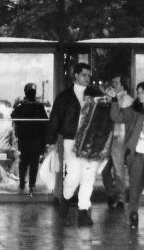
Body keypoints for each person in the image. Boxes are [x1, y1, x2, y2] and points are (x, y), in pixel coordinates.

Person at [45, 62, 104, 227]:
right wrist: (51, 141)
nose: (87, 78)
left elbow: (104, 113)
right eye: (84, 75)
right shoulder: (64, 97)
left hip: (91, 140)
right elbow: (55, 118)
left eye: (89, 75)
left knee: (88, 175)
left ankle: (83, 210)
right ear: (76, 75)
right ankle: (66, 197)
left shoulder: (95, 94)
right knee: (74, 175)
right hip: (71, 139)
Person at [111, 81, 144, 229]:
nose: (139, 95)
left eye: (142, 92)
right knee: (135, 187)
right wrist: (115, 100)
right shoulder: (133, 110)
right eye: (138, 92)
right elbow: (116, 117)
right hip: (137, 154)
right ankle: (133, 214)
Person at [101, 75, 133, 209]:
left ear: (123, 85)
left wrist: (112, 100)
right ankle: (113, 193)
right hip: (111, 136)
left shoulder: (127, 99)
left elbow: (118, 117)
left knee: (118, 169)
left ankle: (120, 197)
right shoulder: (115, 97)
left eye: (116, 82)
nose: (113, 84)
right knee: (104, 169)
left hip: (119, 136)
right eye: (112, 82)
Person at [11, 83, 48, 195]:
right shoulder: (22, 106)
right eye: (30, 92)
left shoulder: (38, 106)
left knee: (32, 163)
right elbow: (14, 116)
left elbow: (45, 122)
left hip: (35, 138)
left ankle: (31, 184)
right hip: (25, 138)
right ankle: (23, 182)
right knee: (26, 162)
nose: (32, 93)